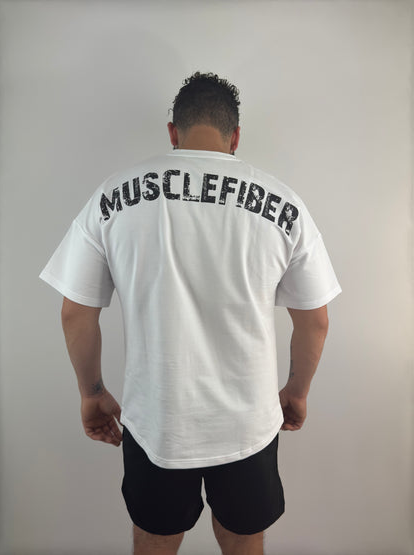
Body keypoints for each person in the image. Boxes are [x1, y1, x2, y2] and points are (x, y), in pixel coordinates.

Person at [39, 72, 341, 555]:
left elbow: (76, 312)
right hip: (248, 423)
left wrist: (91, 393)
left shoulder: (112, 197)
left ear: (172, 133)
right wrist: (297, 392)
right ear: (235, 137)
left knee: (155, 538)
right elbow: (315, 320)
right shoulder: (284, 204)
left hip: (157, 421)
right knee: (243, 538)